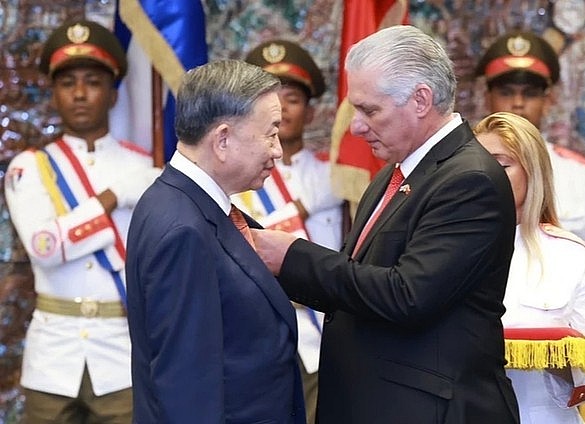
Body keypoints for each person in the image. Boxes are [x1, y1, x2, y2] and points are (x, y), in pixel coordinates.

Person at [251, 25, 519, 424]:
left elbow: (408, 296)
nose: (356, 126)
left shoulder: (469, 179)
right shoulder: (394, 174)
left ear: (421, 100)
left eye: (369, 110)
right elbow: (357, 281)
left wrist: (291, 256)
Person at [125, 59, 306, 424]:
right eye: (270, 133)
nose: (278, 150)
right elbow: (188, 389)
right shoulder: (183, 230)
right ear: (222, 140)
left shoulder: (191, 203)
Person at [4, 20, 160, 423]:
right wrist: (112, 198)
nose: (78, 93)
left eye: (92, 81)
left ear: (112, 93)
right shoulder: (30, 168)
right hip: (54, 358)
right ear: (53, 93)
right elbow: (46, 249)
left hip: (121, 355)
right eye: (67, 82)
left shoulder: (145, 168)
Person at [475, 30, 585, 422]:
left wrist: (563, 359)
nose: (519, 101)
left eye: (505, 165)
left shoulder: (570, 250)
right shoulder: (439, 243)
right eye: (506, 90)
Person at [236, 39, 344, 424]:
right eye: (269, 100)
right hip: (257, 336)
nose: (281, 110)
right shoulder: (232, 172)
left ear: (311, 110)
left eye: (292, 99)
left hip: (321, 339)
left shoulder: (337, 174)